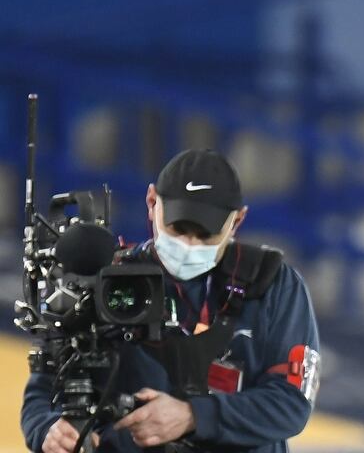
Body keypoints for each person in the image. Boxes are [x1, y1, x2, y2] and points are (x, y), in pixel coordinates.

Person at [22, 149, 320, 453]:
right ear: (152, 202)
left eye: (205, 235)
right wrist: (47, 430)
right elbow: (44, 389)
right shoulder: (106, 280)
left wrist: (193, 416)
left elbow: (291, 402)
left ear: (238, 220)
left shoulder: (274, 286)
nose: (189, 245)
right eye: (178, 228)